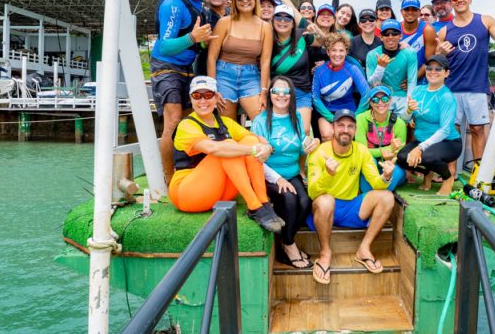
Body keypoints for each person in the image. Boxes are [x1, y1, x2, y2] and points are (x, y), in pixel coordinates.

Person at [169, 76, 284, 232]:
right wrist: (252, 150)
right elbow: (214, 149)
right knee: (228, 146)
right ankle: (254, 206)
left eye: (208, 95)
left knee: (249, 140)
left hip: (219, 193)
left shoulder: (225, 122)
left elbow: (258, 140)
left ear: (217, 97)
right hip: (187, 194)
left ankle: (262, 201)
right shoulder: (186, 125)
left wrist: (268, 148)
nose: (203, 100)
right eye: (197, 95)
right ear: (191, 99)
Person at [306, 109, 396, 284]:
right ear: (333, 128)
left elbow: (376, 184)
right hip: (325, 208)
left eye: (350, 126)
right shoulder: (319, 152)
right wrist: (328, 174)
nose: (345, 130)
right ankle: (325, 253)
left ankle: (364, 248)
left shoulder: (361, 151)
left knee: (387, 197)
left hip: (351, 208)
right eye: (340, 125)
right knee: (326, 201)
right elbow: (312, 192)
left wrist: (386, 176)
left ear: (355, 131)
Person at [151, 0, 218, 185]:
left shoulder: (200, 5)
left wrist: (201, 42)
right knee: (173, 121)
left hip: (186, 69)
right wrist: (194, 38)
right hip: (166, 67)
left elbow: (195, 43)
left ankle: (187, 170)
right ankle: (168, 179)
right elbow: (164, 45)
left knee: (192, 120)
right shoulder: (174, 4)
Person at [436, 0, 495, 161]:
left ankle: (477, 172)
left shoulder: (485, 21)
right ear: (451, 3)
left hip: (476, 87)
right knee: (451, 131)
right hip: (451, 88)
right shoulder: (444, 31)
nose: (459, 0)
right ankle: (451, 174)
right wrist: (441, 53)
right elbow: (436, 60)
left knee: (477, 129)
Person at [252, 76, 321, 268]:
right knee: (290, 199)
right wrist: (278, 179)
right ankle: (290, 246)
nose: (281, 95)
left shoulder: (296, 117)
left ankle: (285, 240)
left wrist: (312, 143)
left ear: (291, 95)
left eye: (286, 92)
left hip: (292, 172)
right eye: (276, 91)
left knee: (305, 202)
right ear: (270, 94)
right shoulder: (260, 121)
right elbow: (257, 159)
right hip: (269, 175)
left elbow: (301, 146)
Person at [207, 0, 273, 121]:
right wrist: (213, 88)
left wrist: (263, 92)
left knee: (262, 120)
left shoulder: (265, 27)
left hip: (251, 77)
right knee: (229, 125)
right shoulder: (225, 22)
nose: (245, 1)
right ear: (234, 1)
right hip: (224, 75)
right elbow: (212, 57)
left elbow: (265, 61)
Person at [398, 55, 463, 196]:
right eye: (429, 68)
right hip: (423, 140)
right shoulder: (417, 90)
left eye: (438, 68)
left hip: (448, 142)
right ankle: (428, 173)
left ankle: (448, 178)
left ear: (446, 73)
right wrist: (409, 111)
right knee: (402, 157)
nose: (433, 71)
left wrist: (420, 148)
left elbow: (445, 130)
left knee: (427, 157)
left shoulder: (446, 97)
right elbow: (404, 119)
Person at [269, 4, 323, 136]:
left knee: (303, 131)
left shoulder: (301, 35)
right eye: (279, 17)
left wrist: (317, 32)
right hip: (278, 92)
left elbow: (321, 42)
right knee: (279, 133)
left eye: (287, 18)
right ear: (272, 20)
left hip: (301, 92)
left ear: (293, 23)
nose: (283, 21)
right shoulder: (268, 38)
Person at [312, 33, 370, 141]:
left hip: (348, 111)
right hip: (327, 111)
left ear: (346, 52)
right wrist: (331, 118)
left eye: (341, 50)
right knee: (328, 134)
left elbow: (366, 93)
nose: (337, 54)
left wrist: (356, 115)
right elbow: (315, 98)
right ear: (328, 52)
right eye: (333, 50)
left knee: (346, 136)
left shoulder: (352, 69)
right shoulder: (319, 71)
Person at [355, 85, 407, 192]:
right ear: (370, 102)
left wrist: (391, 155)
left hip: (392, 163)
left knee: (395, 173)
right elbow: (362, 151)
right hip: (370, 163)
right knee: (370, 161)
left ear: (390, 100)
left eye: (384, 98)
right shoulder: (361, 119)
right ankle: (370, 197)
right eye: (375, 99)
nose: (380, 103)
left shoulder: (399, 123)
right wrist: (390, 149)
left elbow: (399, 153)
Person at [365, 19, 417, 115]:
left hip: (403, 98)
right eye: (386, 34)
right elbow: (372, 84)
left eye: (394, 33)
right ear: (381, 37)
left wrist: (410, 104)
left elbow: (412, 81)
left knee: (403, 127)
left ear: (400, 36)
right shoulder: (372, 55)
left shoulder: (410, 53)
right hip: (381, 99)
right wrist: (380, 67)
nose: (390, 37)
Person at [399, 0, 437, 81]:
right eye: (407, 9)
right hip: (398, 80)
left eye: (414, 9)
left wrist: (413, 79)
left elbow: (429, 62)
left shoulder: (428, 30)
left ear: (419, 12)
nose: (410, 12)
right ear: (401, 11)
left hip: (420, 80)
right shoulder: (395, 29)